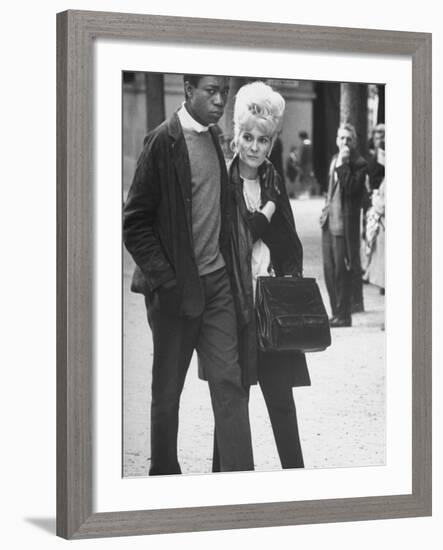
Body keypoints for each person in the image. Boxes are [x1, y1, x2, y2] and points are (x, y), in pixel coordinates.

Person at [123, 74, 254, 475]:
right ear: (188, 90)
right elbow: (134, 223)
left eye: (224, 93)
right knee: (167, 393)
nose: (219, 101)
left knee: (230, 383)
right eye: (211, 91)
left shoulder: (215, 139)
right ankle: (164, 476)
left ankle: (237, 480)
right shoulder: (162, 141)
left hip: (217, 287)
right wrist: (166, 280)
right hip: (176, 292)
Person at [211, 81, 311, 470]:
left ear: (272, 143)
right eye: (248, 137)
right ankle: (221, 484)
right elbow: (231, 240)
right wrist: (266, 212)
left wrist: (288, 278)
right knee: (233, 406)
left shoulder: (274, 181)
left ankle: (296, 479)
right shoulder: (224, 183)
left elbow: (291, 244)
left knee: (282, 402)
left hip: (271, 308)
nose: (255, 147)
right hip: (235, 309)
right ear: (236, 136)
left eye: (263, 140)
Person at [320, 123, 367, 327]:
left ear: (354, 141)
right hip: (328, 223)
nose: (344, 142)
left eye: (348, 139)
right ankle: (335, 312)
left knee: (341, 272)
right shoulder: (333, 159)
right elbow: (330, 191)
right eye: (341, 138)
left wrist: (345, 164)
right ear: (336, 140)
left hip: (344, 227)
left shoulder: (359, 163)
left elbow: (349, 189)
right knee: (329, 270)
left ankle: (344, 314)